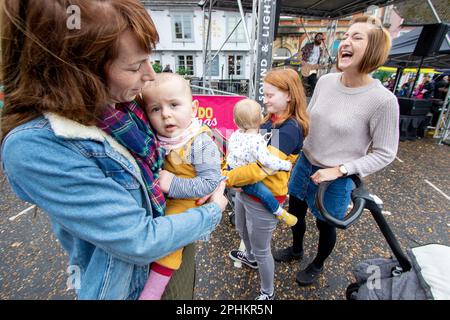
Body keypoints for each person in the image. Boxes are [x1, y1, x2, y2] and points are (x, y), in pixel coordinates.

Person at [0, 0, 227, 300]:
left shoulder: (123, 106)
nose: (149, 75)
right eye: (134, 66)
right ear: (77, 70)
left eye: (149, 60)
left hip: (177, 242)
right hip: (132, 283)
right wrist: (214, 210)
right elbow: (139, 239)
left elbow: (188, 129)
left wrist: (209, 155)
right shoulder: (35, 146)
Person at [273, 16, 399, 287]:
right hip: (305, 163)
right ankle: (296, 250)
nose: (346, 42)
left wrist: (340, 170)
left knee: (325, 225)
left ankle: (317, 264)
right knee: (295, 211)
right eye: (346, 37)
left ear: (374, 49)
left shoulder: (383, 101)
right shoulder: (326, 82)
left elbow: (385, 153)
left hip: (336, 177)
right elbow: (309, 122)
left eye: (357, 37)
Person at [224, 68, 309, 300]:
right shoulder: (271, 121)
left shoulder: (289, 128)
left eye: (270, 95)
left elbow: (264, 168)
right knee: (242, 229)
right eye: (265, 94)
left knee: (262, 249)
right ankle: (249, 259)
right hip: (246, 189)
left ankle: (267, 292)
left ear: (289, 95)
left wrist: (229, 178)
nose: (265, 99)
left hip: (264, 194)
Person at [138, 72, 224, 299]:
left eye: (174, 105)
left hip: (186, 202)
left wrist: (171, 183)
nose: (166, 114)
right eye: (155, 109)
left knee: (169, 244)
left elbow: (209, 183)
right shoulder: (159, 138)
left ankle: (151, 293)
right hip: (169, 200)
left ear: (194, 108)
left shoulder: (200, 140)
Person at [227, 98, 297, 227]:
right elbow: (268, 161)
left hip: (232, 169)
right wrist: (286, 165)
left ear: (235, 121)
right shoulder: (255, 141)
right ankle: (279, 212)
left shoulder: (235, 134)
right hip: (245, 178)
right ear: (260, 118)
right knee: (264, 194)